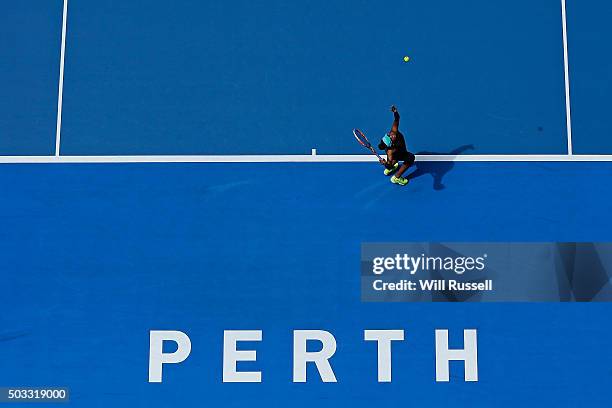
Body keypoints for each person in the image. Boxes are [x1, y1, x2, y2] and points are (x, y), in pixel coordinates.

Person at [378, 105, 415, 186]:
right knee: (411, 158)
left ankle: (392, 167)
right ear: (391, 144)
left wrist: (395, 112)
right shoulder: (390, 152)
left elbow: (397, 119)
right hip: (399, 153)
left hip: (397, 152)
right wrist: (386, 164)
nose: (392, 135)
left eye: (389, 135)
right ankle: (396, 177)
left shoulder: (393, 130)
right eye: (391, 138)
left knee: (391, 163)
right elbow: (389, 161)